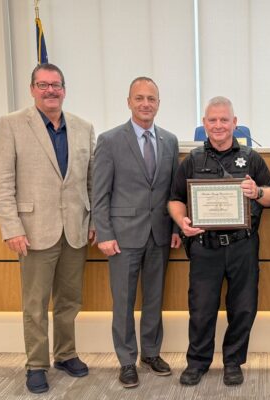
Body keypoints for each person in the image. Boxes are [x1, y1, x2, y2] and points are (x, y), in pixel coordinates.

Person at [0, 63, 95, 394]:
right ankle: (36, 364)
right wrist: (12, 227)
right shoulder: (11, 125)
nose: (51, 90)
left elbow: (90, 180)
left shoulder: (83, 127)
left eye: (56, 85)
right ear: (32, 88)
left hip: (75, 229)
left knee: (70, 300)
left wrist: (92, 221)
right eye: (43, 85)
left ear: (65, 89)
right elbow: (2, 181)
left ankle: (66, 354)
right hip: (33, 230)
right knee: (35, 303)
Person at [168, 96, 270, 387]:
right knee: (201, 309)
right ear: (204, 124)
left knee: (243, 308)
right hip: (205, 247)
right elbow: (175, 199)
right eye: (212, 120)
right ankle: (198, 362)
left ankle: (233, 362)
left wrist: (257, 192)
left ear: (234, 123)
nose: (218, 125)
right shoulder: (191, 161)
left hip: (243, 245)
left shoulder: (252, 158)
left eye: (224, 120)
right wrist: (182, 222)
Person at [92, 77, 181, 388]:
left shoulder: (170, 141)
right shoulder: (109, 140)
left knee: (154, 298)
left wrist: (173, 228)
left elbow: (172, 191)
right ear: (128, 101)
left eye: (151, 99)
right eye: (139, 98)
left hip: (159, 234)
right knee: (124, 300)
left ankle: (151, 353)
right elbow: (99, 193)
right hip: (122, 235)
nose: (146, 104)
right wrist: (103, 232)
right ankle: (127, 360)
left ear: (159, 103)